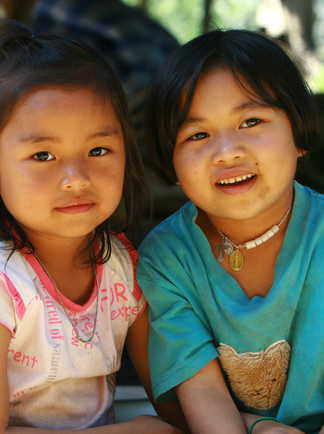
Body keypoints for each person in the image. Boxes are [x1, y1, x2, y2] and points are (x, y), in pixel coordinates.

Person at [0, 19, 183, 434]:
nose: (76, 177)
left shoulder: (123, 267)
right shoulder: (6, 286)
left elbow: (174, 398)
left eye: (98, 149)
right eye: (43, 155)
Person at [137, 29, 324, 434]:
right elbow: (202, 392)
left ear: (298, 134)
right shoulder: (168, 257)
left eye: (251, 121)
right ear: (171, 161)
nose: (227, 151)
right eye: (198, 134)